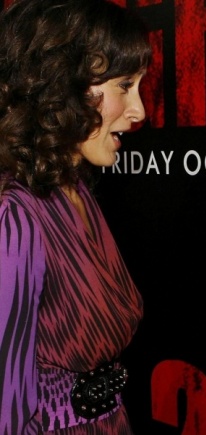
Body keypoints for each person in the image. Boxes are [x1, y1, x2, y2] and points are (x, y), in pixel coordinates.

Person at [0, 0, 151, 433]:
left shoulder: (76, 190)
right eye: (125, 86)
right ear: (61, 85)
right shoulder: (15, 216)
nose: (139, 111)